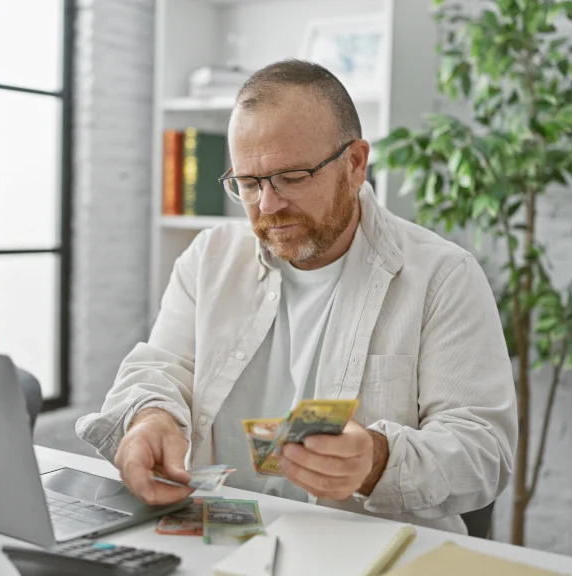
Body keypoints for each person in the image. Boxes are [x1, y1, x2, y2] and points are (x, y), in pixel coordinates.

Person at [76, 59, 518, 534]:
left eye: (291, 177)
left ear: (355, 164)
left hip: (368, 549)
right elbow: (162, 370)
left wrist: (377, 461)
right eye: (248, 184)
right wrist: (150, 419)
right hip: (218, 538)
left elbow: (484, 453)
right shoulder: (209, 258)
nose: (268, 205)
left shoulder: (443, 276)